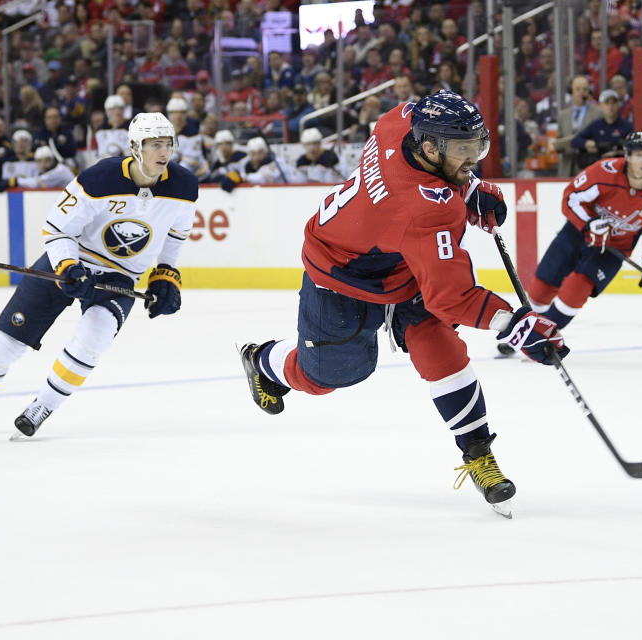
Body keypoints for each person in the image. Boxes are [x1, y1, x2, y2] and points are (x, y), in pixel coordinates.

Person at [238, 91, 569, 518]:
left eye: (477, 145)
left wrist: (467, 187)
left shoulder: (401, 121)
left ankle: (477, 453)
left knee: (440, 348)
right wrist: (517, 325)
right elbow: (453, 298)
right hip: (340, 272)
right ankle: (263, 359)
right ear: (430, 148)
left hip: (396, 259)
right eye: (463, 150)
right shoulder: (426, 210)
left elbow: (419, 119)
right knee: (327, 375)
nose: (473, 157)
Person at [0, 113, 198, 436]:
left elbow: (175, 235)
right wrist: (69, 267)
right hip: (68, 264)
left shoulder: (184, 185)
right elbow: (56, 230)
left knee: (93, 339)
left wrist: (166, 274)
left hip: (119, 277)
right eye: (155, 145)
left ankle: (44, 405)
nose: (164, 153)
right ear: (135, 147)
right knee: (7, 341)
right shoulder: (99, 179)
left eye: (167, 144)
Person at [523, 132, 642, 331]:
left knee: (576, 289)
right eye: (638, 155)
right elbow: (571, 197)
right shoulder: (604, 172)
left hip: (612, 249)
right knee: (540, 289)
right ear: (627, 156)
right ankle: (524, 328)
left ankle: (540, 335)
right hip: (577, 235)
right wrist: (589, 223)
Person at [572, 89, 634, 171]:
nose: (610, 106)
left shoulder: (627, 126)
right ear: (600, 106)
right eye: (607, 103)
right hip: (599, 169)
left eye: (613, 103)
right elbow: (575, 141)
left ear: (618, 105)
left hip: (622, 168)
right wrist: (587, 144)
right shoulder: (596, 125)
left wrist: (617, 152)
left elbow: (635, 148)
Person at [556, 76, 603, 177]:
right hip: (567, 166)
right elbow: (559, 138)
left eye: (585, 89)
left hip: (587, 165)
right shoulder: (563, 115)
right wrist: (556, 145)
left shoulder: (598, 113)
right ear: (571, 91)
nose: (581, 92)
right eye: (578, 89)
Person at [167, 97, 210, 182]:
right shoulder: (165, 132)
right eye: (174, 112)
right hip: (177, 174)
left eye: (181, 112)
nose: (178, 116)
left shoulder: (193, 133)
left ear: (185, 114)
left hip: (199, 176)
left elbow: (191, 162)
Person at [0, 146, 75, 190]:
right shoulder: (56, 169)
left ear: (52, 160)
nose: (43, 164)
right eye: (39, 161)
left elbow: (36, 183)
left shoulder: (59, 171)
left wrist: (15, 181)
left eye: (47, 161)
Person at [93, 94, 131, 159]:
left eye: (120, 108)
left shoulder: (130, 126)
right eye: (113, 109)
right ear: (107, 111)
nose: (117, 111)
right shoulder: (102, 128)